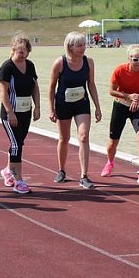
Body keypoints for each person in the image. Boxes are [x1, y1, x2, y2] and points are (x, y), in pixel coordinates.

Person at [47, 31, 102, 189]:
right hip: (63, 104)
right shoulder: (60, 63)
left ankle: (84, 175)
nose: (83, 48)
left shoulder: (89, 62)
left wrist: (97, 107)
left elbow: (91, 84)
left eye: (84, 45)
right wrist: (51, 109)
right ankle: (61, 170)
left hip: (81, 104)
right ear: (70, 46)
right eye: (79, 45)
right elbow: (51, 88)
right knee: (64, 138)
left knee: (84, 136)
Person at [101, 45, 139, 185]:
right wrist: (128, 96)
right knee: (113, 141)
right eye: (136, 59)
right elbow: (111, 91)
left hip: (137, 107)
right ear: (129, 58)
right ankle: (110, 162)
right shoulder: (120, 70)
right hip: (120, 106)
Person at [0, 34, 41, 194]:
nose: (22, 54)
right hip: (11, 113)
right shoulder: (7, 67)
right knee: (16, 145)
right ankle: (19, 181)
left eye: (25, 51)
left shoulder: (30, 66)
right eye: (19, 51)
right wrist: (10, 112)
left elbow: (35, 87)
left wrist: (37, 107)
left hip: (26, 111)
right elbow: (2, 91)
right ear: (13, 50)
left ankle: (8, 171)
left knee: (19, 143)